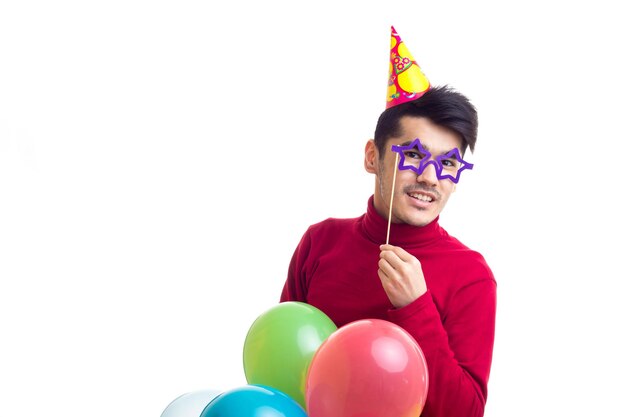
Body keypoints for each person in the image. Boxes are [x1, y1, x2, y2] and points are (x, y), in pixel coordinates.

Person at [280, 28, 496, 417]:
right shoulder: (320, 241)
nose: (431, 178)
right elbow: (281, 368)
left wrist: (416, 307)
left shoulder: (471, 274)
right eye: (413, 155)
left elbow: (466, 412)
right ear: (372, 158)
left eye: (448, 163)